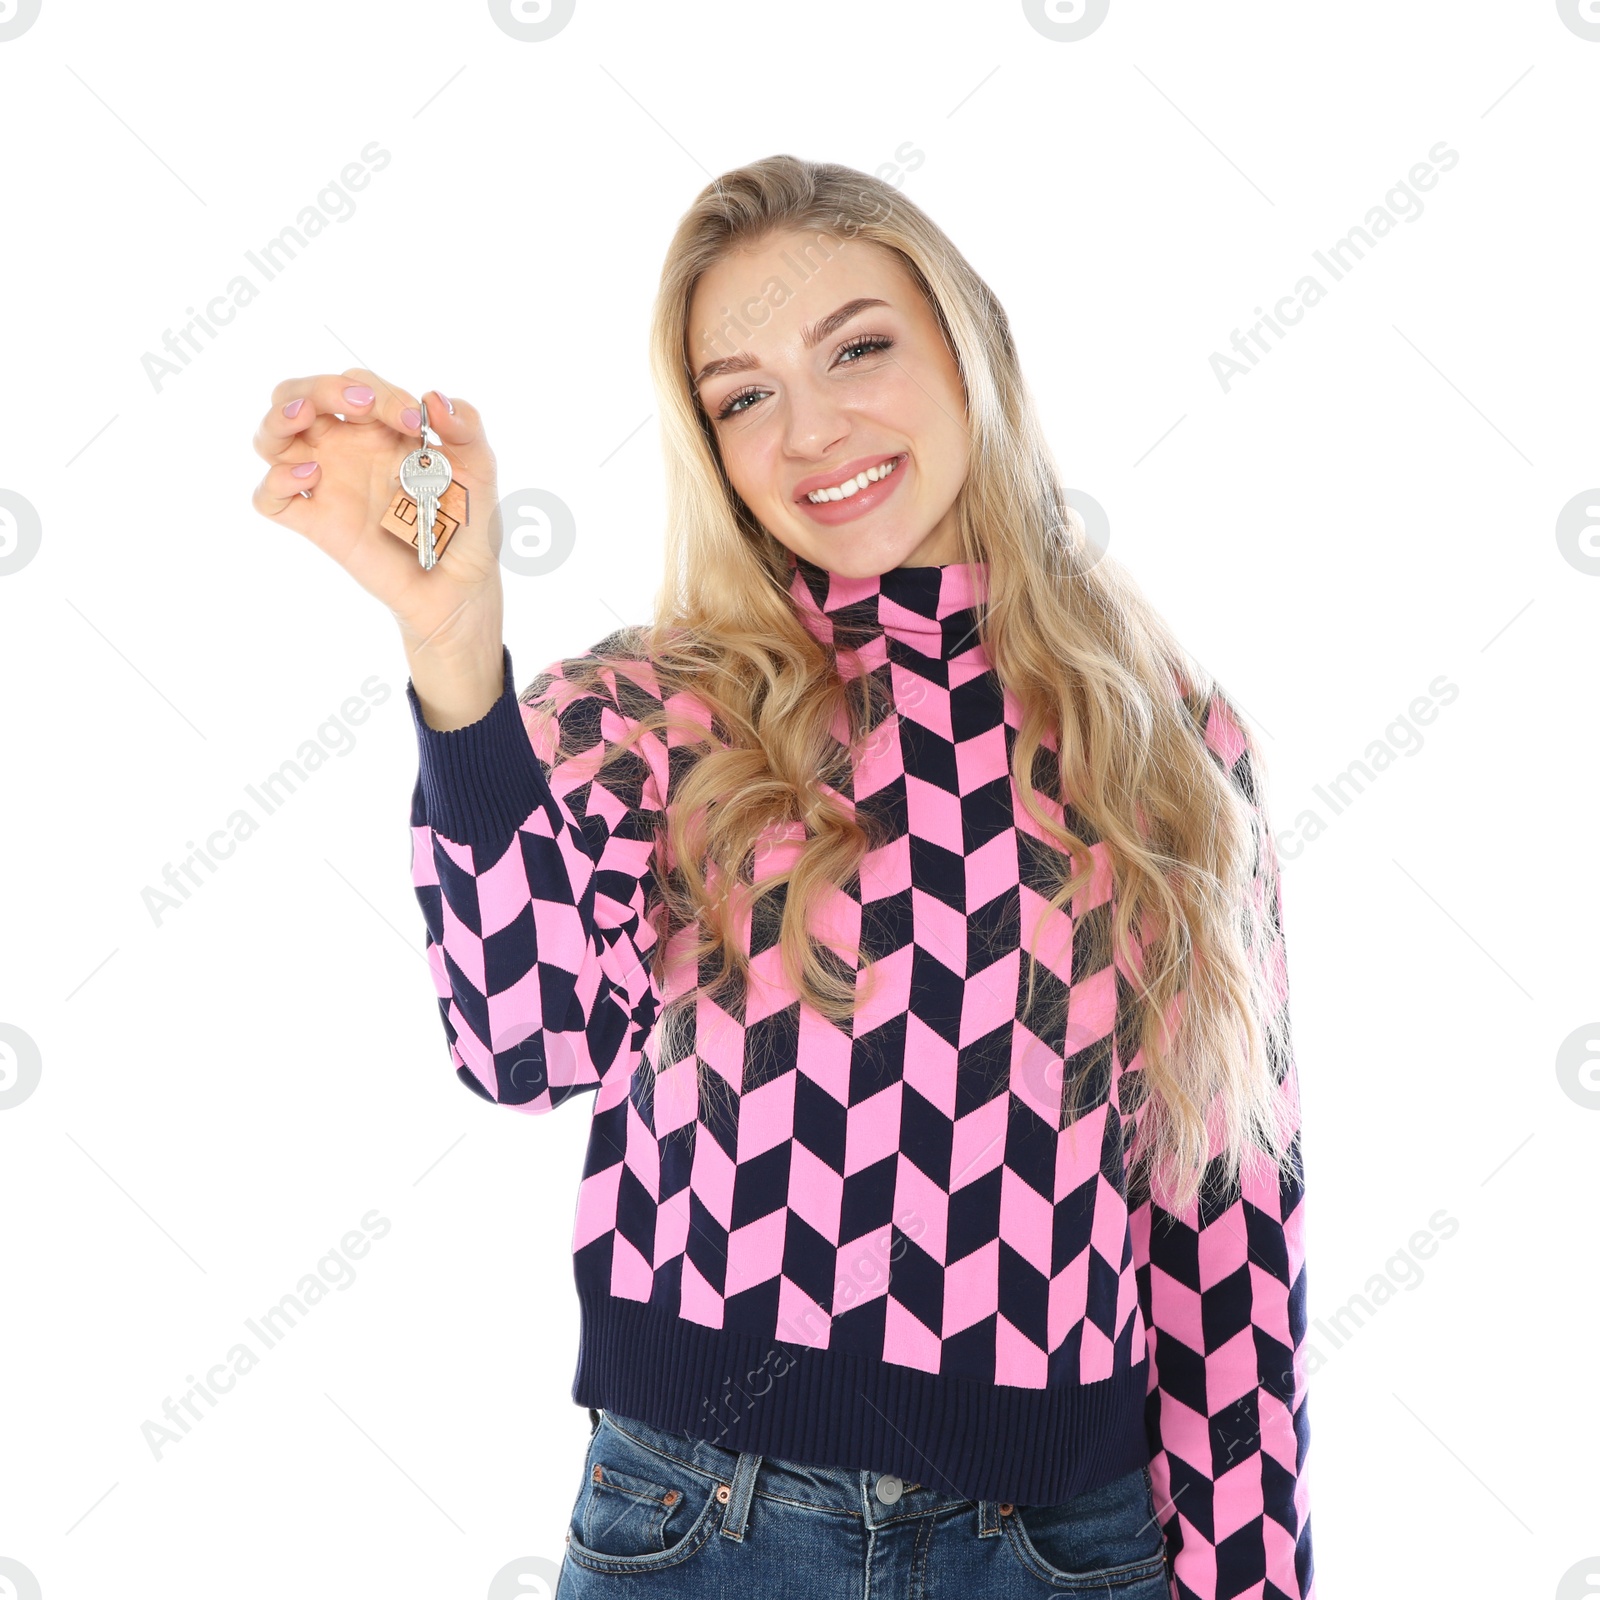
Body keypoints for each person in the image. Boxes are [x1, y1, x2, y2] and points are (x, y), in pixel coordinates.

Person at [251, 154, 1313, 1600]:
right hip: (704, 1530)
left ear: (970, 346)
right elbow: (523, 1047)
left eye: (859, 348)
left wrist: (1253, 1581)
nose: (812, 430)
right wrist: (455, 645)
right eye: (743, 394)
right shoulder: (652, 711)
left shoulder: (1168, 741)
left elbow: (1228, 1218)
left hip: (1068, 1551)